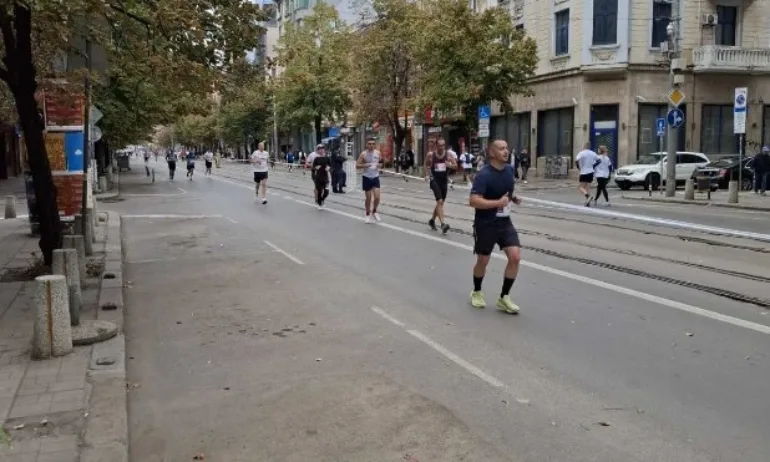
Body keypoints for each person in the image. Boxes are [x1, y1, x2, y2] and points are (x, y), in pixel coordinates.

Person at [469, 139, 522, 314]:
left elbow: (506, 192)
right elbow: (474, 201)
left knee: (515, 257)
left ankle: (504, 297)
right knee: (483, 260)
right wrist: (498, 202)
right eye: (501, 149)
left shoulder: (509, 170)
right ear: (492, 153)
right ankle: (476, 291)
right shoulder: (483, 175)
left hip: (505, 222)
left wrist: (513, 199)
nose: (506, 152)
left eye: (507, 148)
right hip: (486, 222)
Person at [424, 138, 455, 234]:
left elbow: (455, 165)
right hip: (434, 180)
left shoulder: (448, 155)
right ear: (436, 145)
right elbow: (425, 164)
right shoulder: (431, 155)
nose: (442, 147)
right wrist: (426, 175)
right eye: (440, 145)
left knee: (440, 203)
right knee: (440, 201)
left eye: (443, 145)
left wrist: (449, 165)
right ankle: (443, 224)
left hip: (443, 181)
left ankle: (432, 220)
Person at [356, 138, 383, 223]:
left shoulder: (378, 153)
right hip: (366, 177)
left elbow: (381, 164)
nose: (371, 145)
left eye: (373, 144)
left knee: (377, 197)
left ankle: (374, 211)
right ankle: (367, 213)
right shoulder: (363, 154)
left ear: (375, 145)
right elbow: (357, 165)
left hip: (375, 177)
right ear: (367, 145)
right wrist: (366, 165)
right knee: (368, 197)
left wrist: (379, 166)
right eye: (369, 144)